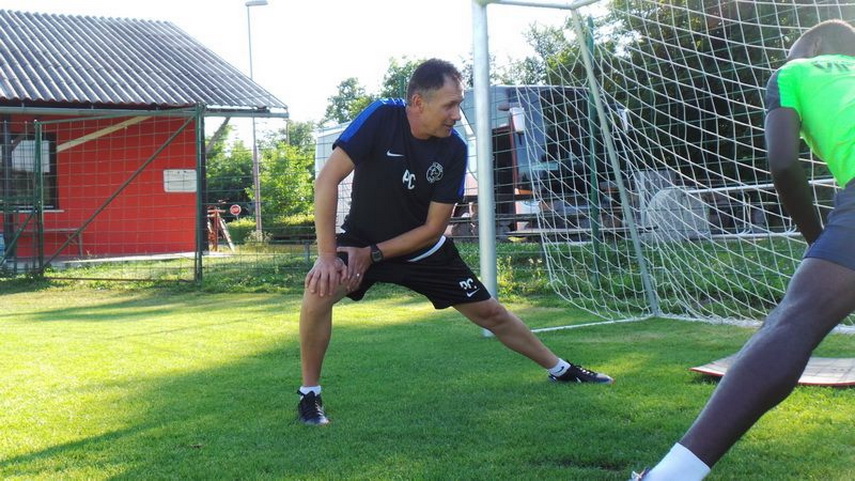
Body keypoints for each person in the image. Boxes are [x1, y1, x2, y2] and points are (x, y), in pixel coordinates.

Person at [297, 58, 613, 426]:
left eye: (459, 103)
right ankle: (310, 395)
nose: (456, 114)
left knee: (491, 314)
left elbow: (433, 229)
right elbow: (327, 180)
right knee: (318, 290)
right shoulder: (382, 116)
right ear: (419, 102)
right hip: (361, 241)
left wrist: (374, 254)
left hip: (421, 250)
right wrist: (327, 256)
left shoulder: (454, 150)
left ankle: (561, 369)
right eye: (450, 105)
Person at [629, 19, 855, 480]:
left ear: (813, 44)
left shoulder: (793, 73)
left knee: (793, 323)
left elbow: (784, 162)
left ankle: (671, 476)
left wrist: (815, 238)